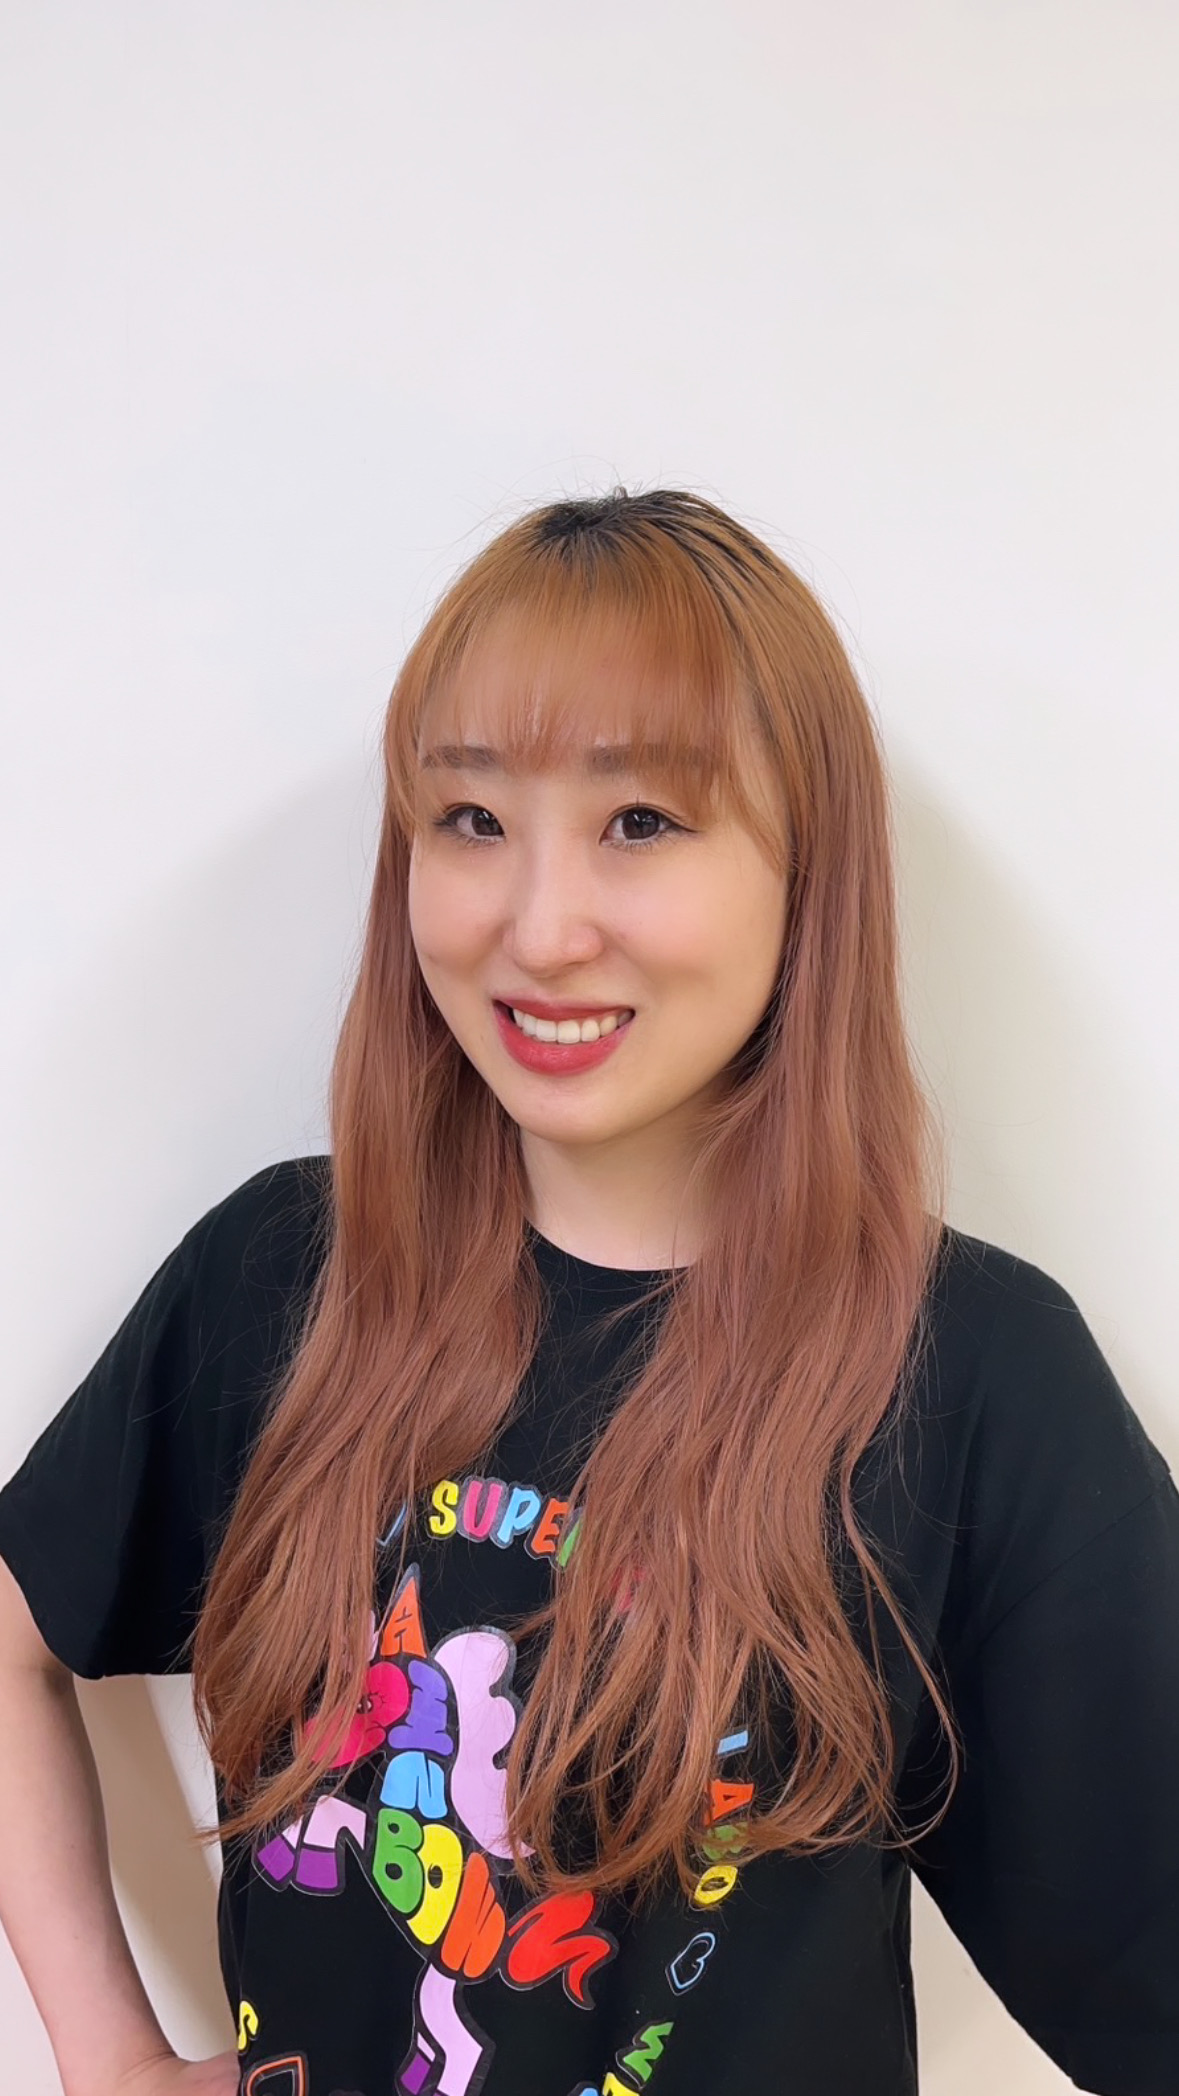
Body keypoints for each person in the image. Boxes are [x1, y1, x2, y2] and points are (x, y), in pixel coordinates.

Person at [0, 486, 1176, 2096]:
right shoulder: (279, 1278)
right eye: (471, 819)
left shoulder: (973, 1380)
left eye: (640, 822)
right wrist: (107, 2058)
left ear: (805, 869)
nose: (540, 930)